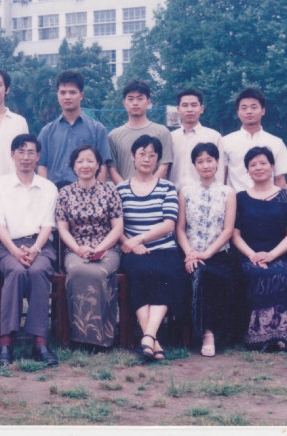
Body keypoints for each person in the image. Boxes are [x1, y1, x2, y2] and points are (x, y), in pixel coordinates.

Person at [0, 134, 59, 366]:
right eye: (20, 151)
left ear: (38, 156)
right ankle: (6, 341)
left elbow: (48, 225)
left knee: (38, 271)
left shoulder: (48, 187)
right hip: (7, 244)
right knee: (15, 271)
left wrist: (35, 249)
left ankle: (40, 341)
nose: (25, 157)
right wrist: (15, 251)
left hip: (40, 245)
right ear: (12, 155)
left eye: (31, 152)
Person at [117, 135, 186, 361]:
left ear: (158, 159)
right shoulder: (120, 189)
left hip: (164, 248)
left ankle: (147, 337)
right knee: (139, 272)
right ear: (132, 157)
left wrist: (139, 239)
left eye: (152, 155)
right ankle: (153, 341)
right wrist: (129, 243)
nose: (146, 159)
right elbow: (116, 225)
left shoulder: (168, 187)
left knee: (163, 272)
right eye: (142, 154)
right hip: (133, 251)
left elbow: (168, 225)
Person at [232, 146, 287, 351]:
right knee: (257, 272)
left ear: (272, 166)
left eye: (263, 163)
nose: (258, 168)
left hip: (278, 254)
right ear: (247, 170)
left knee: (275, 273)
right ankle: (256, 336)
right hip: (247, 254)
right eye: (253, 164)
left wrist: (271, 255)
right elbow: (235, 234)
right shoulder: (240, 198)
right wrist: (253, 255)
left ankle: (279, 336)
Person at [55, 144, 123, 352]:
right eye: (80, 161)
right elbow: (63, 229)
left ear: (98, 165)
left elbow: (117, 227)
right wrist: (78, 249)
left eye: (90, 161)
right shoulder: (64, 193)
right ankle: (79, 336)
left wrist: (100, 249)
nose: (85, 165)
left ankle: (102, 337)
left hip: (108, 248)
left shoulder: (110, 191)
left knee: (99, 272)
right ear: (73, 166)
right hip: (75, 249)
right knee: (77, 270)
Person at [176, 142, 237, 357]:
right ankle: (195, 332)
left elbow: (228, 230)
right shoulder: (185, 192)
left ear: (217, 162)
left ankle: (209, 334)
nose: (205, 165)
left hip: (218, 254)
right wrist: (190, 253)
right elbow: (180, 228)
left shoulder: (228, 192)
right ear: (194, 165)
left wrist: (206, 253)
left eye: (209, 160)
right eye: (200, 161)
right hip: (190, 253)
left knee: (207, 273)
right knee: (198, 271)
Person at [38, 70, 111, 189]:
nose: (67, 97)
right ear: (58, 95)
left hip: (87, 192)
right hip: (55, 192)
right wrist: (46, 192)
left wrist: (98, 194)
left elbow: (102, 165)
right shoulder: (47, 132)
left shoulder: (97, 129)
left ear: (81, 95)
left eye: (72, 92)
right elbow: (42, 165)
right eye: (63, 92)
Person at [222, 87, 287, 192]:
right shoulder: (225, 142)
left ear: (263, 111)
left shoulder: (276, 143)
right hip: (236, 200)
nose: (249, 111)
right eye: (244, 108)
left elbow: (279, 180)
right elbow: (222, 178)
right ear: (238, 112)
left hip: (268, 200)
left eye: (254, 107)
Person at [108, 80, 172, 184]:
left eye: (140, 98)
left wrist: (149, 188)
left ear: (148, 102)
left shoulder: (162, 132)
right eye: (131, 99)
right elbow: (112, 170)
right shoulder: (113, 136)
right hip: (124, 192)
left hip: (155, 191)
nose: (135, 103)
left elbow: (163, 166)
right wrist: (127, 190)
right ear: (124, 103)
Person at [169, 88, 225, 189]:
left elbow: (220, 170)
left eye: (194, 105)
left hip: (205, 193)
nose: (189, 109)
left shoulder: (213, 137)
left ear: (201, 109)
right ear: (178, 109)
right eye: (185, 105)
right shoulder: (170, 138)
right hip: (174, 194)